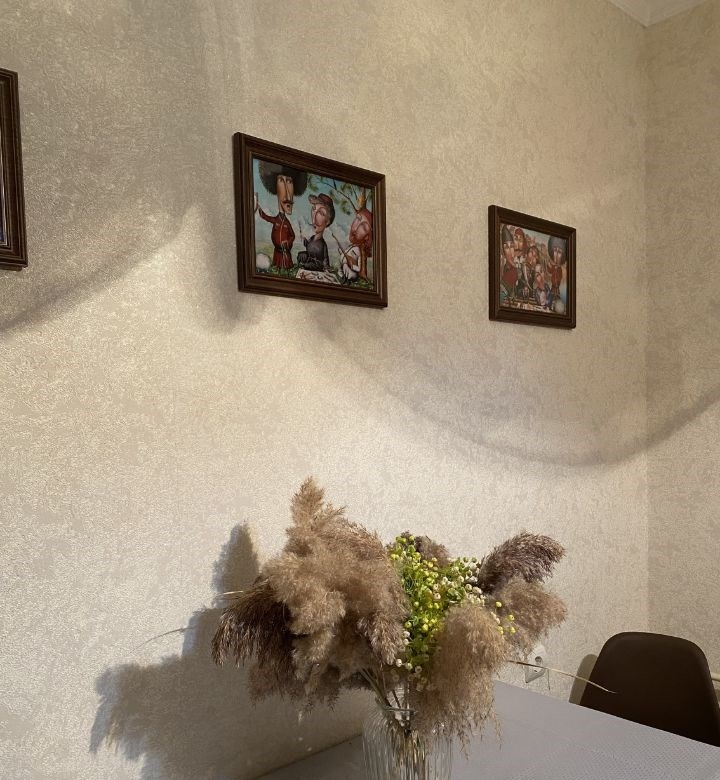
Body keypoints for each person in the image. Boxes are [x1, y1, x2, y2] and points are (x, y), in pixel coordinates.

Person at [255, 161, 308, 270]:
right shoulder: (276, 219)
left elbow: (292, 235)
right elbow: (265, 216)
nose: (288, 194)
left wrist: (287, 243)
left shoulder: (287, 223)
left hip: (285, 251)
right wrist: (258, 207)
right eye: (281, 181)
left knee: (286, 265)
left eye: (289, 181)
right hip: (277, 252)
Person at [297, 193, 335, 272]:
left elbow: (325, 260)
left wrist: (326, 268)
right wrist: (303, 239)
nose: (314, 218)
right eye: (314, 209)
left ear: (328, 221)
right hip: (309, 262)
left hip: (317, 267)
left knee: (308, 265)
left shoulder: (322, 244)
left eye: (321, 213)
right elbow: (308, 245)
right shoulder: (311, 238)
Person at [500, 225, 518, 297]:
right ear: (503, 252)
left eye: (512, 246)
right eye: (507, 247)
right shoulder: (504, 270)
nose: (511, 251)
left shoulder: (518, 269)